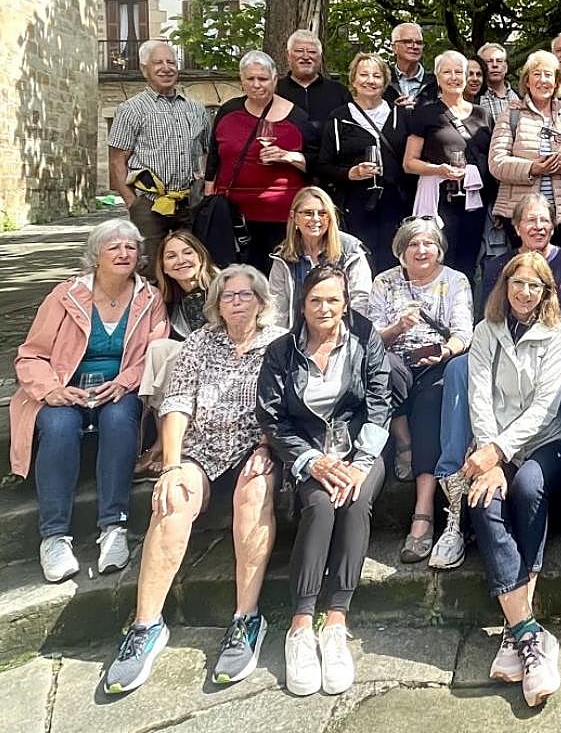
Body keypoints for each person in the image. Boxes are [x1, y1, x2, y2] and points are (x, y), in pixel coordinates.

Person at [103, 265, 286, 693]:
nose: (237, 301)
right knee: (171, 499)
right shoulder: (200, 343)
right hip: (202, 448)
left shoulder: (278, 342)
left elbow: (280, 405)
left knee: (255, 491)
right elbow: (178, 404)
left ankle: (246, 618)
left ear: (261, 301)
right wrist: (170, 465)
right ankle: (145, 626)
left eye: (245, 295)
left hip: (253, 449)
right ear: (217, 304)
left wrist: (265, 447)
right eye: (228, 296)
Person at [432, 194, 561, 571]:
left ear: (553, 226)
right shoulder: (498, 267)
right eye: (530, 221)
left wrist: (551, 357)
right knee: (458, 370)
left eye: (544, 220)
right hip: (507, 359)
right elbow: (488, 324)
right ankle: (455, 488)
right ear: (517, 226)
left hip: (557, 357)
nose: (538, 227)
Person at [257, 265, 391, 696]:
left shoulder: (364, 339)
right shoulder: (281, 352)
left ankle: (335, 622)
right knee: (318, 504)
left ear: (345, 303)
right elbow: (272, 418)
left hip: (359, 451)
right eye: (315, 300)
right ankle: (300, 624)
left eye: (333, 300)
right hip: (309, 455)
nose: (324, 308)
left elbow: (380, 402)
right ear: (302, 305)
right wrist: (311, 461)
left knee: (354, 501)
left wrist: (361, 462)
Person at [10, 219, 168, 583]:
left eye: (130, 247)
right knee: (58, 424)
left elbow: (154, 353)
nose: (123, 253)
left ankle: (114, 526)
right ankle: (54, 536)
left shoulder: (150, 298)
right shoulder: (65, 296)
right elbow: (30, 355)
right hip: (66, 385)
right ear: (96, 255)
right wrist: (51, 389)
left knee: (119, 419)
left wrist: (126, 381)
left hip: (120, 389)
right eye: (113, 247)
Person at [464, 252, 561, 707]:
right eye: (517, 283)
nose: (524, 293)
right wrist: (488, 454)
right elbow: (478, 395)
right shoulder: (486, 331)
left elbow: (546, 407)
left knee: (528, 486)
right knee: (482, 502)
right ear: (504, 285)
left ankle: (515, 632)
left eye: (534, 286)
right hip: (493, 445)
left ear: (546, 293)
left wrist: (500, 451)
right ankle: (528, 632)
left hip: (545, 441)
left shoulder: (557, 335)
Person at [368, 218, 473, 563]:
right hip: (393, 359)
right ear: (401, 251)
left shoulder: (455, 280)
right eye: (413, 244)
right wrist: (398, 327)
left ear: (439, 249)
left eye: (428, 243)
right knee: (385, 371)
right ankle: (403, 444)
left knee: (432, 400)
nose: (421, 250)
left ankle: (423, 512)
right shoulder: (384, 282)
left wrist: (445, 351)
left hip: (438, 361)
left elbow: (463, 332)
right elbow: (370, 339)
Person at [205, 50, 317, 274]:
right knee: (237, 276)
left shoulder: (298, 117)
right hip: (235, 217)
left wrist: (287, 156)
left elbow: (317, 165)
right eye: (250, 78)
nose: (256, 84)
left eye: (263, 79)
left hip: (283, 216)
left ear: (275, 80)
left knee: (279, 275)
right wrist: (210, 202)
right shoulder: (228, 111)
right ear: (242, 81)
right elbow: (214, 160)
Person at [107, 40, 210, 273]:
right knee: (150, 269)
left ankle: (187, 309)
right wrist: (132, 202)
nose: (166, 68)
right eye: (158, 63)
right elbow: (117, 161)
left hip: (189, 202)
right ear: (145, 69)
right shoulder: (131, 109)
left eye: (171, 62)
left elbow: (207, 154)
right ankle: (152, 309)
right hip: (149, 204)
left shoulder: (196, 110)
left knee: (191, 268)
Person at [488, 49, 561, 255]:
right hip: (521, 216)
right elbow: (496, 162)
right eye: (536, 74)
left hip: (560, 218)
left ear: (557, 83)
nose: (543, 80)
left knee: (560, 279)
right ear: (527, 81)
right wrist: (532, 168)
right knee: (526, 276)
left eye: (548, 75)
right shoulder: (511, 116)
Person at [317, 52, 412, 271]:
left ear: (385, 82)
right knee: (358, 263)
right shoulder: (339, 117)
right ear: (353, 80)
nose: (370, 80)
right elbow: (323, 166)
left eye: (377, 76)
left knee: (395, 263)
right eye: (364, 75)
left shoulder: (401, 115)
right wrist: (351, 173)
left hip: (395, 205)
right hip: (356, 206)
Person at [404, 50, 495, 279]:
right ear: (437, 76)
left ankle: (462, 311)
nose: (454, 77)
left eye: (459, 72)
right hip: (441, 202)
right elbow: (409, 163)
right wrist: (439, 170)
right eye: (447, 72)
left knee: (469, 262)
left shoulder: (483, 114)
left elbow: (492, 159)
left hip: (475, 202)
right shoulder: (425, 113)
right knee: (439, 259)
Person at [137, 230, 220, 477]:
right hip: (187, 371)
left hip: (224, 363)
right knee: (159, 348)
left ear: (201, 256)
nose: (180, 260)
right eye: (171, 256)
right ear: (163, 265)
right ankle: (163, 438)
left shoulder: (220, 284)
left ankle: (163, 444)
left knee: (174, 354)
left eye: (187, 253)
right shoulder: (167, 295)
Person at [267, 187, 372, 329]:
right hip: (297, 340)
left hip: (343, 337)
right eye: (308, 213)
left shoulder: (351, 251)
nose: (316, 219)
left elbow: (360, 301)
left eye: (323, 213)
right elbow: (277, 310)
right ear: (294, 217)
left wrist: (351, 341)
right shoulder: (283, 256)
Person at [275, 30, 353, 134]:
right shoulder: (275, 90)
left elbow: (351, 131)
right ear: (288, 56)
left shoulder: (339, 92)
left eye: (312, 52)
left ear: (320, 57)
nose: (306, 57)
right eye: (299, 51)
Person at [385, 22, 437, 109]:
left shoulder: (435, 82)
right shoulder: (383, 81)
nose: (414, 46)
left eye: (419, 42)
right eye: (407, 42)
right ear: (394, 48)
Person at [477, 42, 520, 120]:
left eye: (499, 61)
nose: (494, 65)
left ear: (506, 67)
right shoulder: (474, 99)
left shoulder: (521, 97)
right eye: (489, 61)